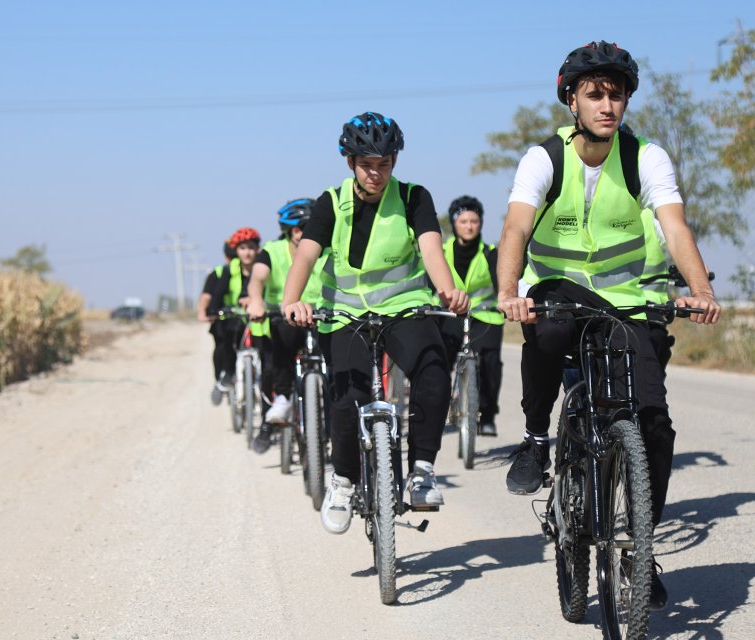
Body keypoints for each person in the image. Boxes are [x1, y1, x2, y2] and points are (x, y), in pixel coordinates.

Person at [494, 41, 721, 610]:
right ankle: (536, 437)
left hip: (626, 302)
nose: (607, 104)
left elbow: (674, 227)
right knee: (544, 333)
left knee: (654, 426)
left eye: (616, 94)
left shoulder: (646, 157)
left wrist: (700, 290)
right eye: (594, 93)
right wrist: (507, 292)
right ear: (572, 99)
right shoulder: (543, 158)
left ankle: (638, 548)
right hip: (558, 295)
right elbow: (516, 230)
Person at [280, 112, 468, 535]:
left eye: (384, 163)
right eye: (367, 163)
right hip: (344, 313)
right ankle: (344, 480)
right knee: (348, 400)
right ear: (350, 162)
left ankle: (421, 469)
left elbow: (432, 250)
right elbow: (306, 255)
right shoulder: (331, 202)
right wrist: (291, 300)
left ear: (395, 161)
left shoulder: (414, 197)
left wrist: (447, 290)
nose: (376, 173)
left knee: (433, 369)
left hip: (402, 307)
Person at [246, 198, 328, 453]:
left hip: (321, 313)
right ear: (292, 231)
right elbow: (257, 279)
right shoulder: (272, 251)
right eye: (302, 228)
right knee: (281, 344)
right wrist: (257, 301)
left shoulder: (326, 250)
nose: (308, 234)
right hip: (284, 315)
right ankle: (282, 398)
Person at [438, 195, 505, 436]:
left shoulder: (490, 253)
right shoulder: (441, 251)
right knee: (438, 360)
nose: (469, 226)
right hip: (449, 315)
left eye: (474, 221)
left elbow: (501, 284)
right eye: (464, 221)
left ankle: (487, 415)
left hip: (485, 316)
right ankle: (439, 406)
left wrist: (505, 301)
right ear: (454, 223)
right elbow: (429, 281)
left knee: (490, 361)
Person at [199, 228, 262, 405]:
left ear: (257, 249)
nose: (247, 252)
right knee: (225, 339)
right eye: (242, 248)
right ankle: (225, 375)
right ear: (236, 251)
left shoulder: (262, 267)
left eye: (251, 248)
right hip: (234, 316)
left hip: (258, 317)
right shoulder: (229, 270)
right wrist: (212, 310)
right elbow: (217, 293)